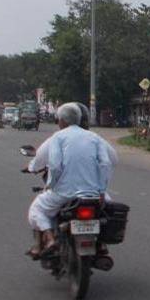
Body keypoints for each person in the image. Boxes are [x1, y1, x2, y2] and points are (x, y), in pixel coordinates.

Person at [25, 103, 117, 258]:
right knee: (109, 208)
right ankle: (101, 243)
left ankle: (49, 238)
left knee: (37, 209)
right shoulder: (95, 137)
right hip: (92, 195)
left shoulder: (58, 137)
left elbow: (54, 165)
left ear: (61, 120)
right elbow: (108, 162)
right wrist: (101, 190)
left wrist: (50, 186)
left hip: (64, 193)